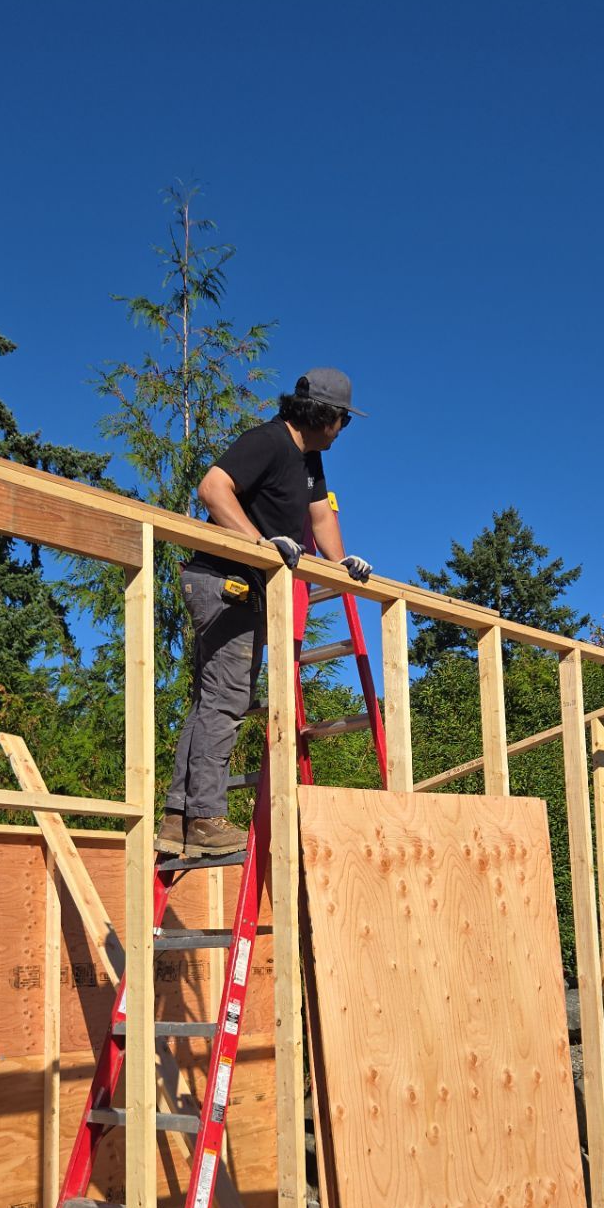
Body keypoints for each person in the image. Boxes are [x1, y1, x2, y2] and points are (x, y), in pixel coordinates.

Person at [157, 367, 373, 858]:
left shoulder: (310, 462)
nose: (343, 429)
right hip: (222, 581)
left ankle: (179, 818)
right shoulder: (269, 441)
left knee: (210, 698)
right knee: (227, 699)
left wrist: (342, 565)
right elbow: (212, 489)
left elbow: (319, 518)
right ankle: (206, 819)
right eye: (343, 419)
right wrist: (257, 544)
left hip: (236, 584)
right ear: (323, 415)